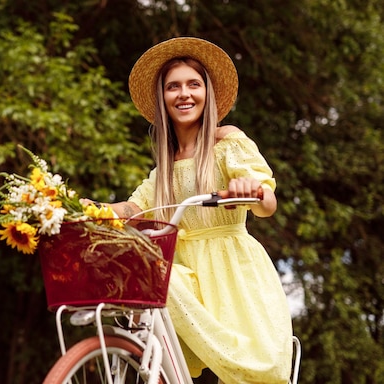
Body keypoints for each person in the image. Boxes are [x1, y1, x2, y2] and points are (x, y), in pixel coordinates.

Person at [106, 37, 293, 383]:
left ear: (207, 93)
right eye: (173, 87)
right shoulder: (164, 169)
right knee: (151, 276)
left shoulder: (227, 142)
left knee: (251, 370)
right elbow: (136, 206)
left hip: (232, 270)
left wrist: (250, 191)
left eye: (194, 84)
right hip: (187, 272)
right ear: (163, 99)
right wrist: (94, 209)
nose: (184, 94)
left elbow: (267, 202)